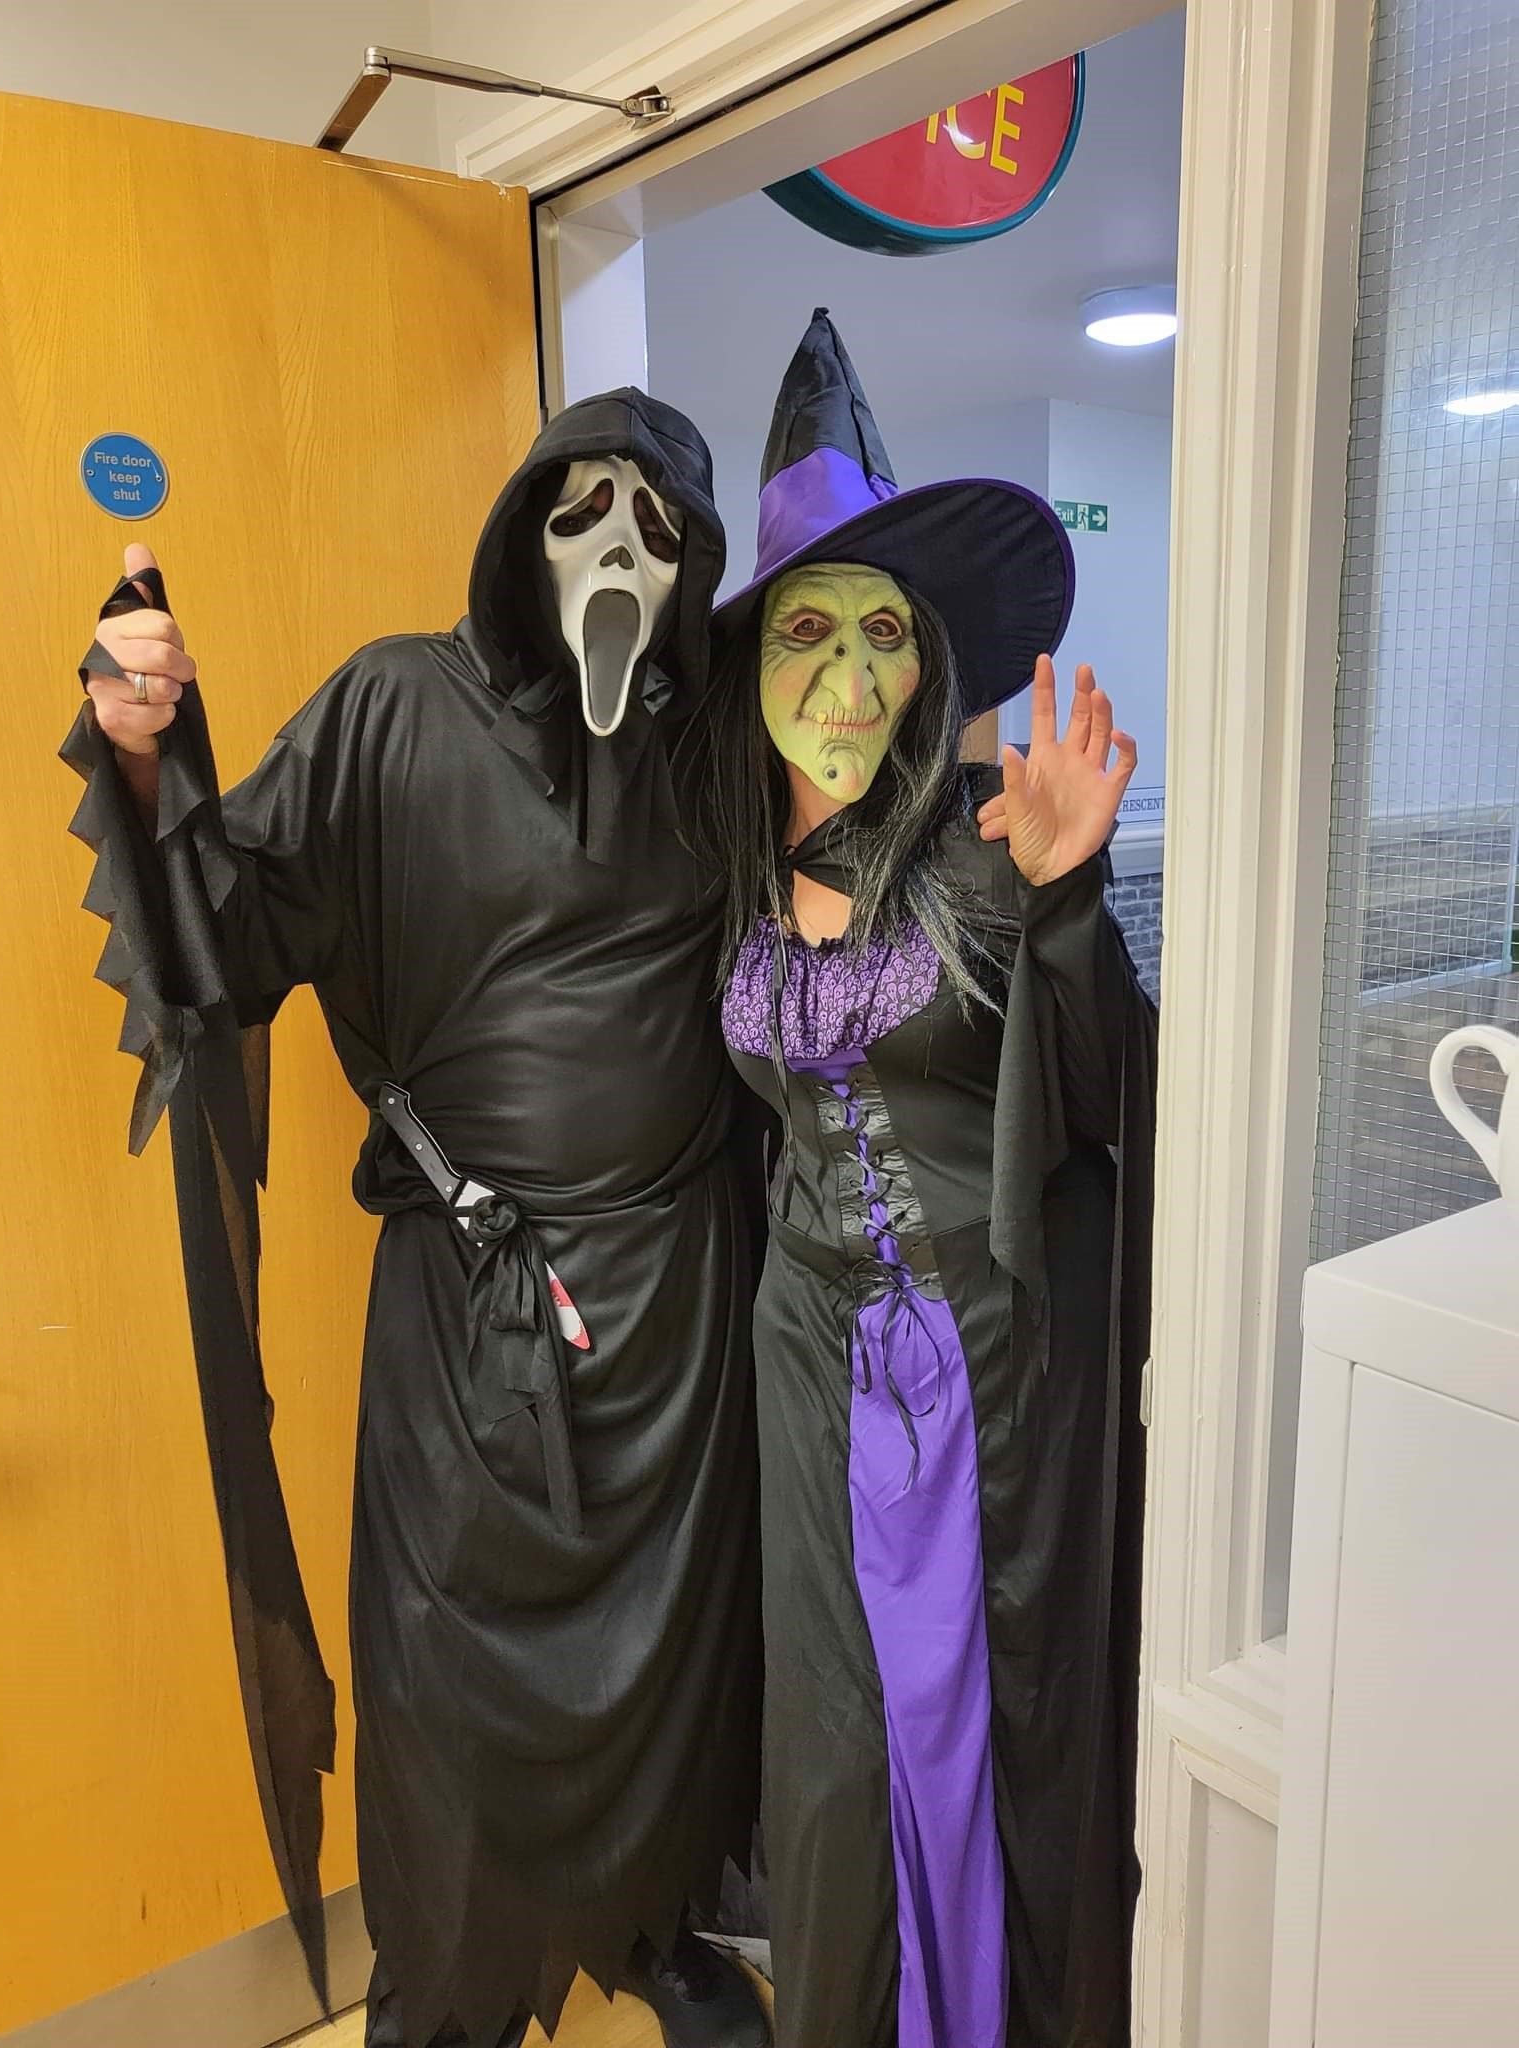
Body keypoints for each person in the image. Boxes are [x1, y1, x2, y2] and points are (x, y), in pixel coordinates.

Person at [62, 391, 769, 2048]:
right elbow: (228, 933)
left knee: (671, 1669)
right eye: (583, 510)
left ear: (696, 559)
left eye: (657, 525)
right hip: (474, 1308)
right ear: (523, 527)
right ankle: (445, 2006)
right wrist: (145, 749)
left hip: (677, 1302)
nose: (617, 550)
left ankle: (654, 1927)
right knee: (448, 1683)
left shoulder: (709, 741)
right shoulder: (395, 705)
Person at [689, 311, 1157, 2048]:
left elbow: (1112, 1097)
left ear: (924, 662)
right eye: (802, 630)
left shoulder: (982, 858)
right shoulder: (724, 881)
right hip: (809, 1364)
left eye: (880, 632)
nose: (842, 674)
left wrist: (1070, 897)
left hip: (994, 1365)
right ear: (753, 668)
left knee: (990, 1718)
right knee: (834, 1744)